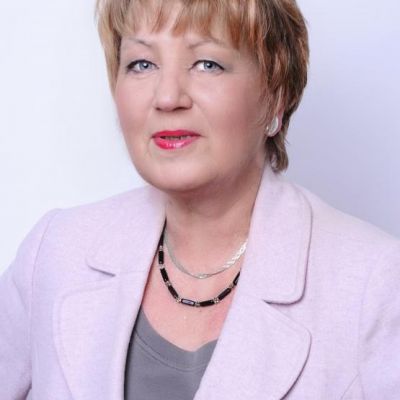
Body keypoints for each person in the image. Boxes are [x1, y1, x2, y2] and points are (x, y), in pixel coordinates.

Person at [1, 0, 399, 398]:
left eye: (207, 64)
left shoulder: (375, 285)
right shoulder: (55, 252)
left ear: (275, 93)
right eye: (142, 64)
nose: (167, 96)